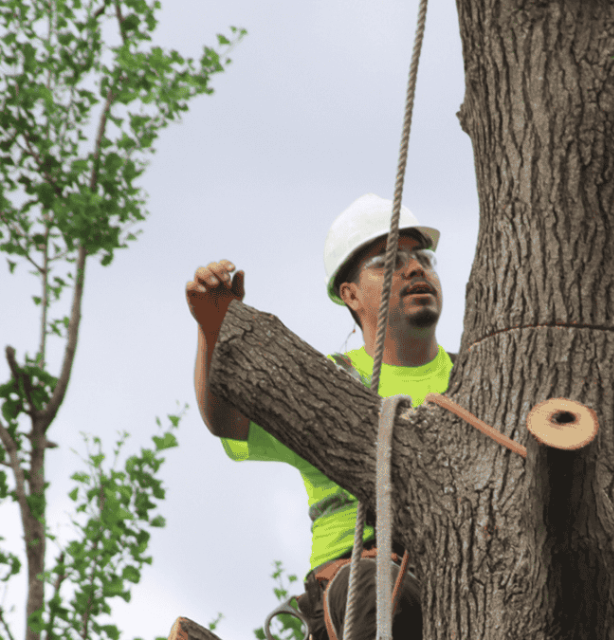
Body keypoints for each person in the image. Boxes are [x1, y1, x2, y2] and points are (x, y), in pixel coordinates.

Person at [185, 194, 455, 640]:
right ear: (349, 294)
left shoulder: (475, 382)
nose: (415, 268)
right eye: (389, 261)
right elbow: (227, 422)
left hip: (461, 585)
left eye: (423, 257)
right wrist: (213, 331)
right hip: (361, 593)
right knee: (375, 587)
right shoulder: (329, 383)